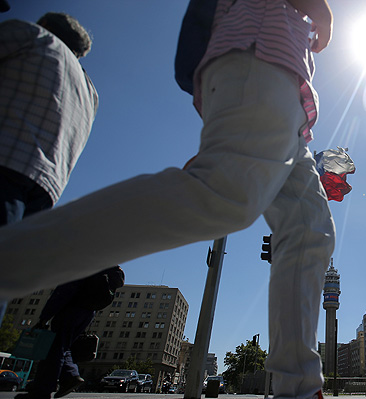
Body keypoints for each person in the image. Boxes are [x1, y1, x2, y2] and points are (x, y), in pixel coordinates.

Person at [0, 1, 336, 398]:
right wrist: (324, 14)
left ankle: (298, 388)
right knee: (223, 194)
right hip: (259, 54)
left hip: (284, 91)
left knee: (309, 230)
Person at [0, 11, 98, 322]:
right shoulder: (90, 90)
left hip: (5, 162)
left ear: (45, 26)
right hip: (43, 189)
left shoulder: (33, 37)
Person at [16, 266, 124, 399]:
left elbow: (64, 290)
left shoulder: (81, 263)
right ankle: (69, 376)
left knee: (54, 349)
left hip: (71, 309)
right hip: (88, 312)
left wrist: (45, 317)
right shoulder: (105, 265)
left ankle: (43, 390)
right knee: (62, 347)